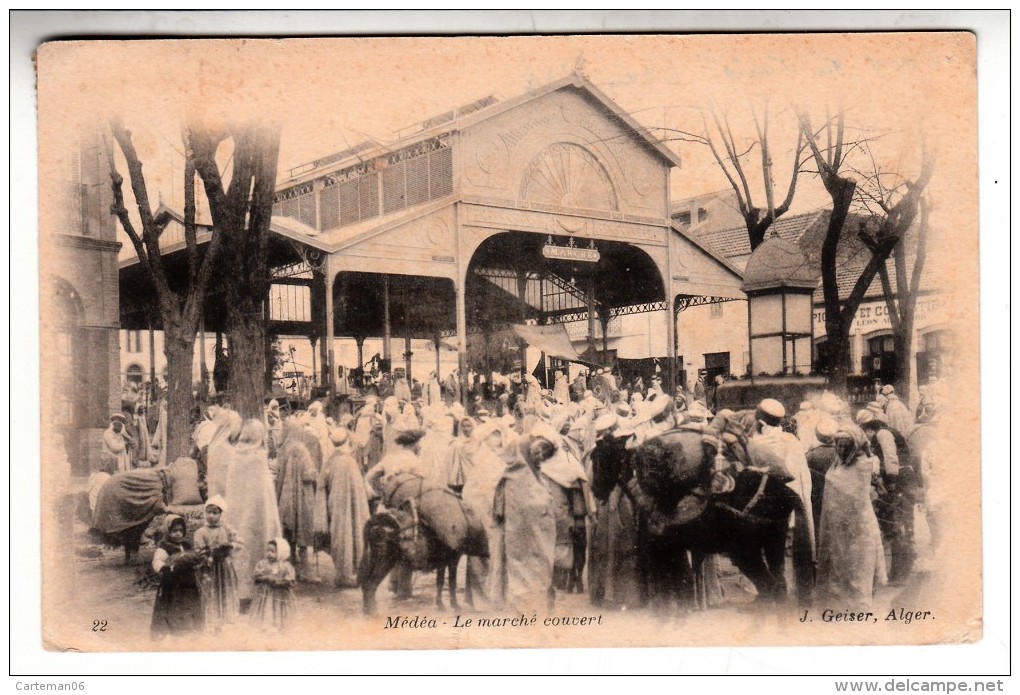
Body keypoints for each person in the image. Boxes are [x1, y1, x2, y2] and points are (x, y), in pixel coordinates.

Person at [815, 427, 887, 611]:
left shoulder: (864, 465)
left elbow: (856, 493)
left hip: (858, 524)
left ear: (855, 445)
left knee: (858, 563)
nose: (841, 450)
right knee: (837, 561)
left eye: (846, 446)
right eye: (838, 446)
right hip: (835, 524)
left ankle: (858, 605)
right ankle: (837, 602)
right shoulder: (836, 464)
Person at [491, 427, 559, 612]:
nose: (541, 456)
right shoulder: (516, 477)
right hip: (522, 534)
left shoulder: (529, 476)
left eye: (546, 453)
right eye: (541, 451)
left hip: (530, 535)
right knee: (523, 565)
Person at [225, 419, 283, 612]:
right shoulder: (259, 458)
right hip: (258, 517)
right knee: (257, 550)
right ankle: (259, 593)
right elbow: (265, 495)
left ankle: (241, 594)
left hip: (238, 517)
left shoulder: (235, 457)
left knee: (241, 552)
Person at [856, 409, 917, 584]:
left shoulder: (883, 434)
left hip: (900, 480)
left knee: (896, 523)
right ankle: (904, 566)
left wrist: (890, 483)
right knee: (902, 523)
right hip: (903, 479)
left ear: (870, 427)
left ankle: (900, 571)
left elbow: (891, 459)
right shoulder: (887, 431)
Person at [314, 427, 371, 589]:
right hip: (355, 507)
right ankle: (355, 572)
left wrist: (322, 514)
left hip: (336, 505)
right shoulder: (350, 462)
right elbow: (361, 488)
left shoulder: (329, 463)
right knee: (356, 534)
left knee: (340, 535)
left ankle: (342, 574)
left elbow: (321, 488)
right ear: (347, 441)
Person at [275, 420, 320, 583]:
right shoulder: (302, 450)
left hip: (286, 499)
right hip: (301, 497)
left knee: (290, 529)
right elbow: (308, 474)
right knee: (302, 528)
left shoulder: (284, 449)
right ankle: (306, 570)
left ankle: (291, 561)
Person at [150, 514, 205, 639]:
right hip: (172, 582)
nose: (178, 534)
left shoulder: (186, 545)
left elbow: (194, 557)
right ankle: (173, 630)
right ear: (167, 531)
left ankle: (189, 628)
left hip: (188, 582)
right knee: (173, 605)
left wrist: (196, 562)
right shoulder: (164, 547)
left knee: (188, 602)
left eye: (181, 531)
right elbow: (157, 562)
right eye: (174, 531)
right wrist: (169, 567)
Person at [193, 495, 241, 630]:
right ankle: (212, 620)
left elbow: (239, 543)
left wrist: (230, 545)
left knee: (224, 590)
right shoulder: (201, 532)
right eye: (209, 512)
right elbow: (199, 549)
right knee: (211, 591)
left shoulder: (226, 529)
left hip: (224, 566)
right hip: (210, 567)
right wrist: (208, 556)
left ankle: (225, 617)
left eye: (215, 512)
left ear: (221, 514)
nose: (212, 516)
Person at [250, 537, 297, 633]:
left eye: (273, 551)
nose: (269, 553)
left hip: (280, 593)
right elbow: (256, 576)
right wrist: (266, 578)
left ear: (281, 553)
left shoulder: (285, 566)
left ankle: (279, 625)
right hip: (266, 593)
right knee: (267, 608)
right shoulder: (263, 564)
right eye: (268, 550)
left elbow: (290, 580)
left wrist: (279, 581)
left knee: (278, 608)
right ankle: (266, 625)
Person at [806, 417, 841, 540]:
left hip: (818, 496)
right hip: (839, 497)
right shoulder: (841, 453)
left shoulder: (810, 456)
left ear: (817, 435)